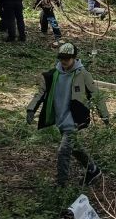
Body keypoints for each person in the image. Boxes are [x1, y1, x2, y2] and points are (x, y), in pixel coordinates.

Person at [26, 42, 109, 187]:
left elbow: (96, 95)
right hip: (60, 118)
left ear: (74, 58)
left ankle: (61, 185)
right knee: (74, 147)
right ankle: (93, 170)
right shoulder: (52, 75)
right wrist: (31, 109)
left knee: (63, 151)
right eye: (61, 58)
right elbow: (40, 94)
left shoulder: (82, 74)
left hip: (74, 119)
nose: (64, 61)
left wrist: (105, 116)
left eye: (67, 58)